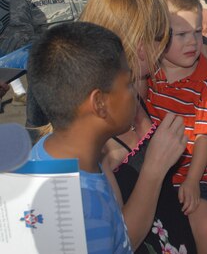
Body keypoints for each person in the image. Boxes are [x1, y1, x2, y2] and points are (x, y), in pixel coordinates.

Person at [79, 0, 193, 253]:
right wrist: (154, 168)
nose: (163, 45)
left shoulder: (136, 88)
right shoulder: (94, 133)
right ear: (133, 42)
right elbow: (121, 239)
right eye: (157, 35)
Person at [27, 21, 133, 253]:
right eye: (129, 83)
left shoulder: (45, 151)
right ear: (100, 103)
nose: (134, 93)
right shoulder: (86, 210)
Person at [146, 0, 207, 254]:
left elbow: (206, 136)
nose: (193, 42)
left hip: (195, 176)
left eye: (197, 31)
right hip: (152, 173)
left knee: (206, 222)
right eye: (181, 34)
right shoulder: (147, 72)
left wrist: (193, 181)